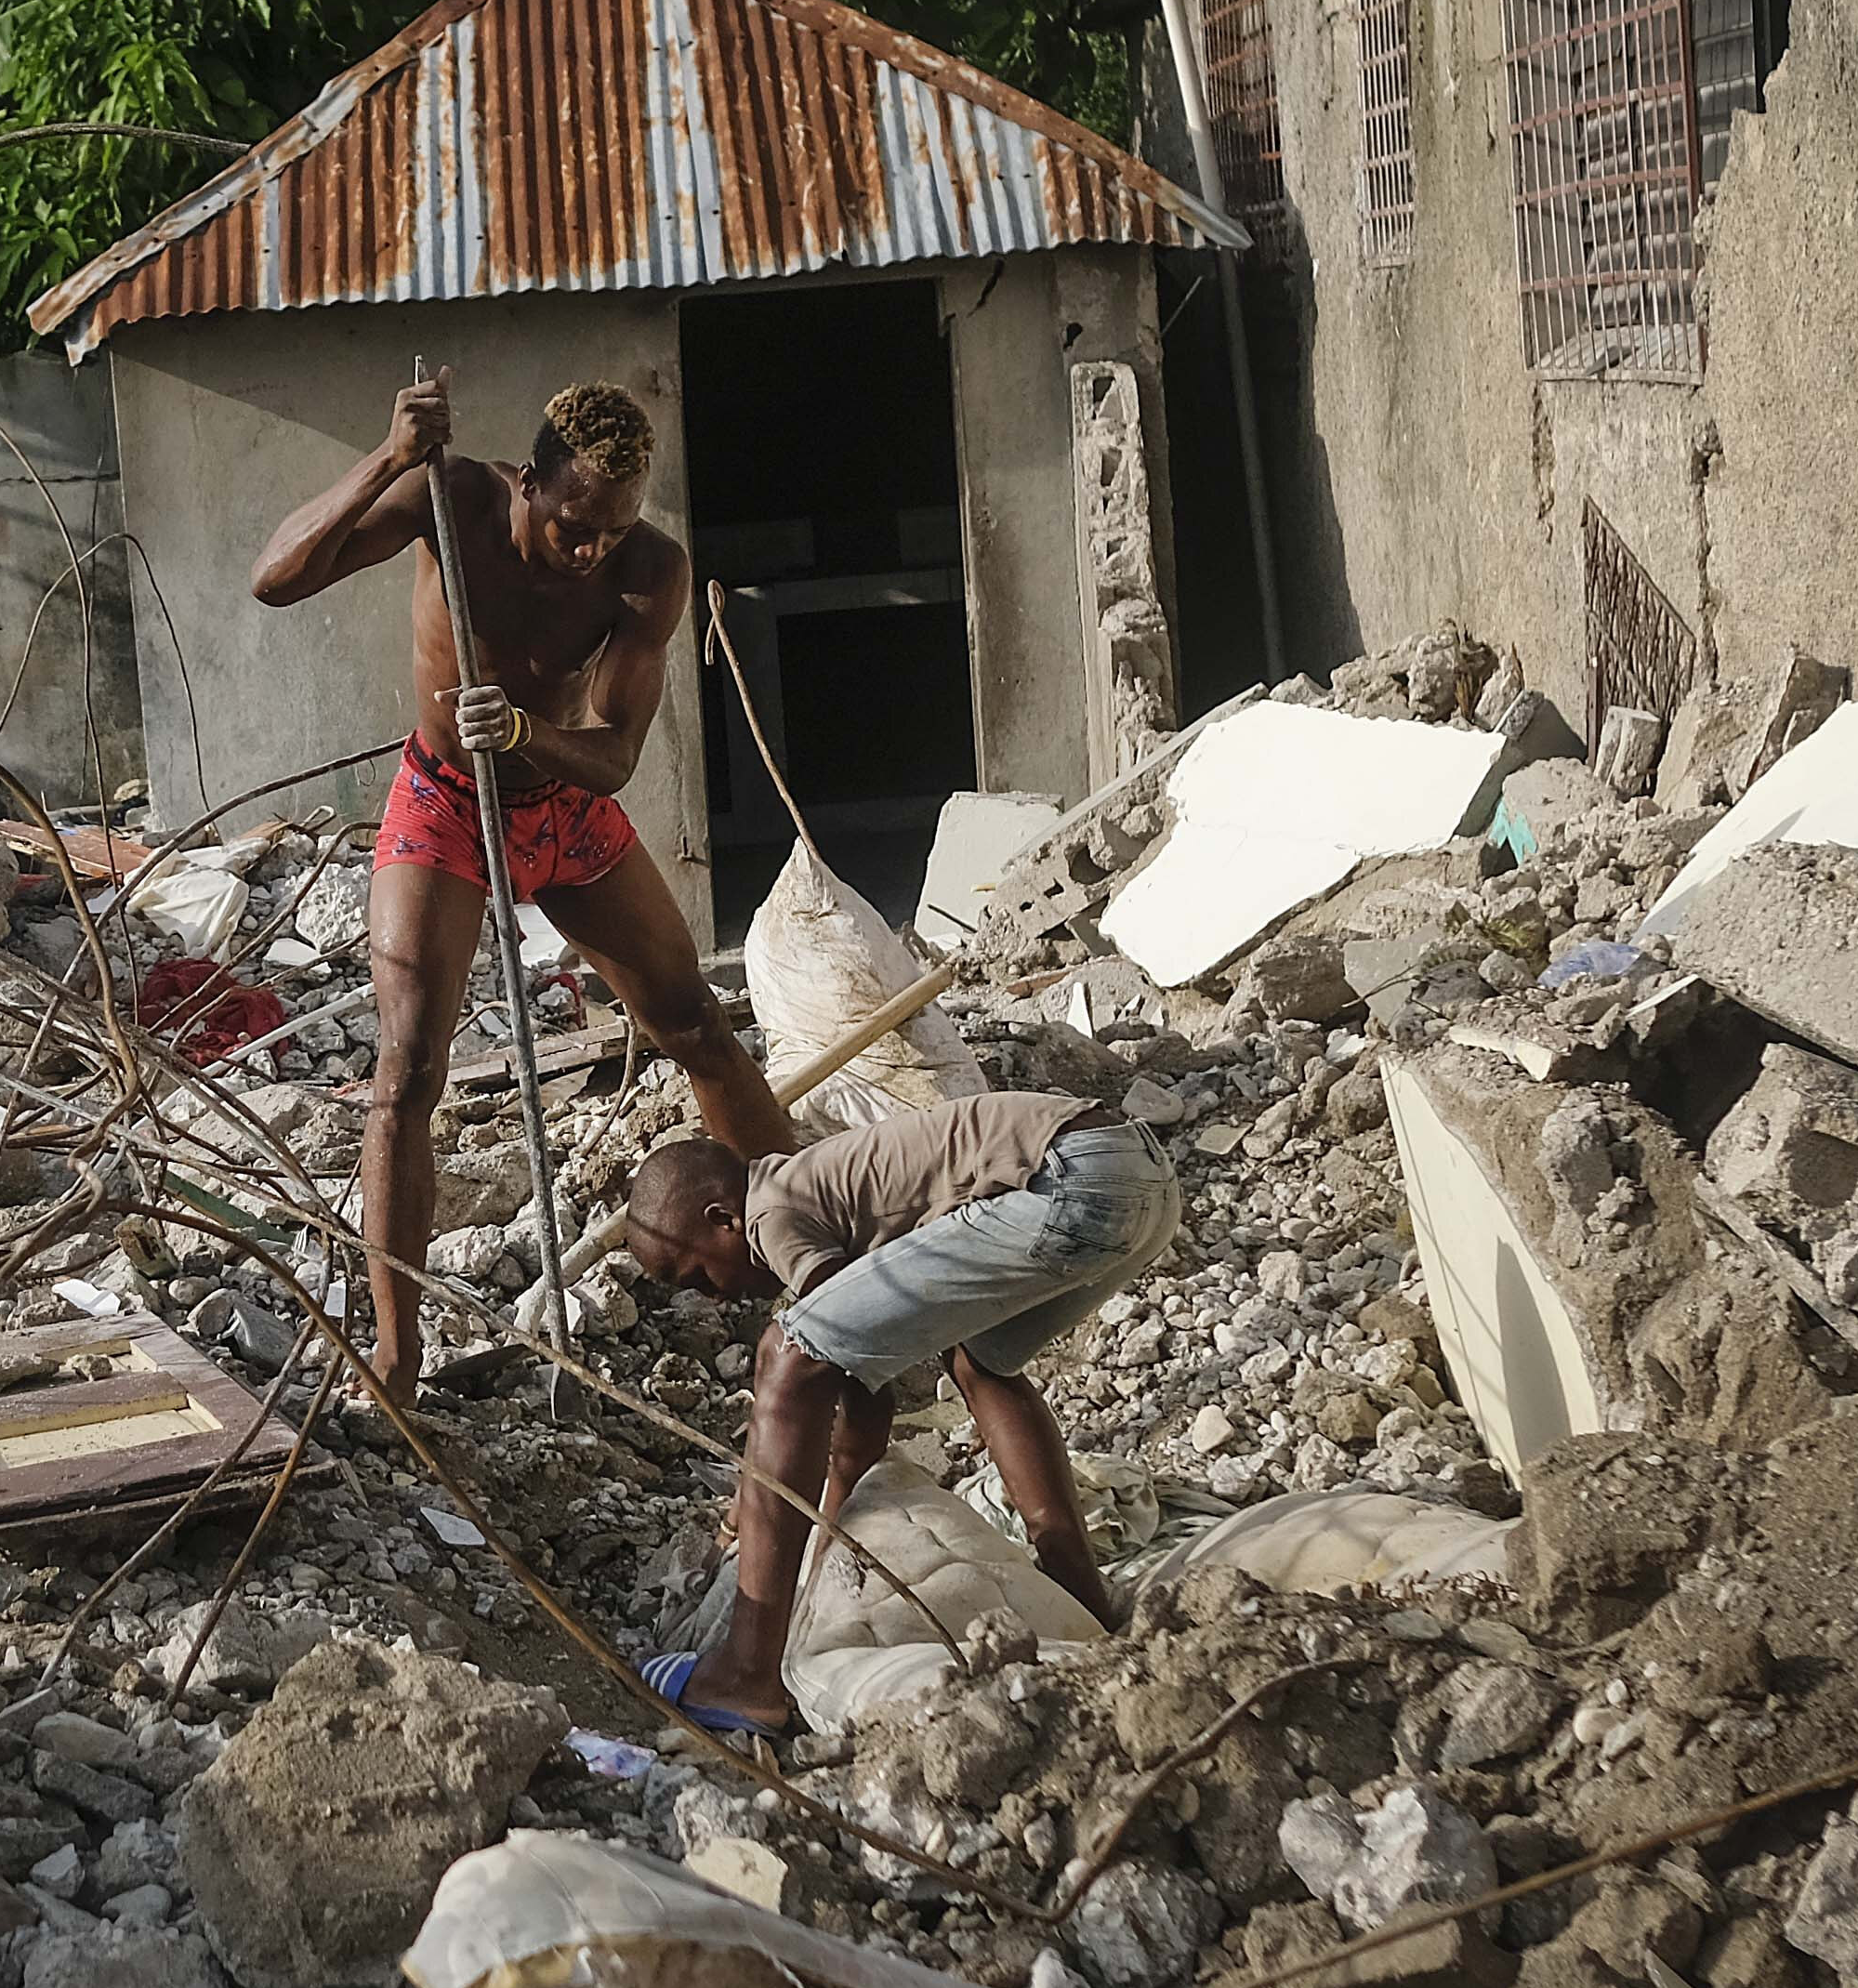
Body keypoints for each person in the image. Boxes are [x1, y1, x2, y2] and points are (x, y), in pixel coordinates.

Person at [250, 369, 796, 1402]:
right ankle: (398, 1352)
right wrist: (386, 459)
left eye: (613, 527)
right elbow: (274, 581)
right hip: (445, 804)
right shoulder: (448, 501)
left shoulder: (648, 572)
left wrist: (529, 732)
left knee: (695, 1027)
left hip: (567, 811)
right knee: (409, 1069)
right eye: (573, 524)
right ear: (531, 484)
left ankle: (804, 1249)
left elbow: (617, 752)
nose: (591, 548)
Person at [613, 1089, 1190, 1738]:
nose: (713, 1300)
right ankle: (1081, 1597)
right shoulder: (815, 1187)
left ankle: (747, 1674)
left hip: (1069, 1181)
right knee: (982, 1366)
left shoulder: (771, 1213)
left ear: (722, 1219)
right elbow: (860, 1363)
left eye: (697, 1278)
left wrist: (825, 1497)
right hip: (1136, 1175)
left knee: (787, 1354)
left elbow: (839, 1370)